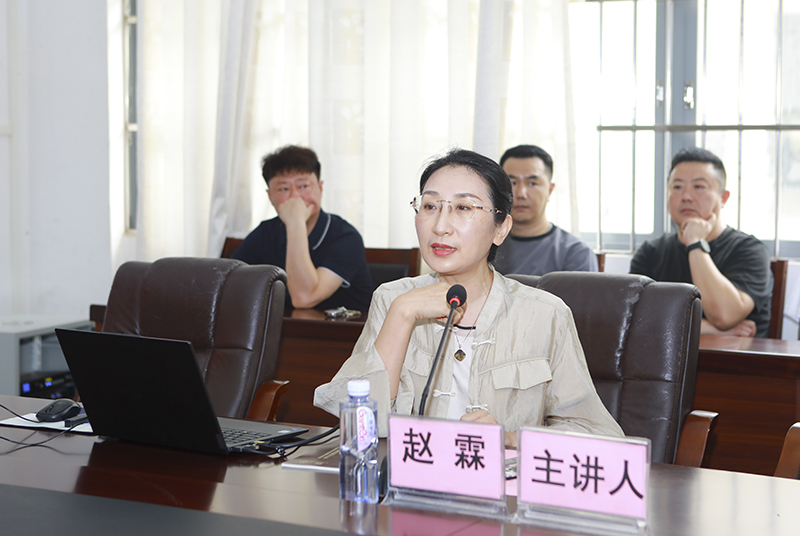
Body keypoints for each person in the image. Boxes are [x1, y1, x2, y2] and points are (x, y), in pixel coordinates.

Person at [314, 149, 623, 447]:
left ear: (500, 228)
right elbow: (357, 428)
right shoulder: (393, 299)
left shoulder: (544, 314)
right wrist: (403, 313)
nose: (440, 226)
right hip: (408, 477)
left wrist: (511, 440)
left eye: (463, 208)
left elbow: (597, 434)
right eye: (430, 206)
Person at [630, 148, 772, 338]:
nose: (686, 196)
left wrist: (695, 243)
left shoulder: (749, 250)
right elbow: (632, 319)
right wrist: (708, 328)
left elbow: (724, 316)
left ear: (723, 198)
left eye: (698, 187)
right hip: (661, 357)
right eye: (677, 187)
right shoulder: (651, 252)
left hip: (729, 357)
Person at [231, 145, 372, 312]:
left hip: (344, 328)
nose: (295, 197)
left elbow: (304, 298)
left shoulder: (346, 237)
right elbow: (228, 282)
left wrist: (295, 222)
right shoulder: (266, 232)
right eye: (283, 189)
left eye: (303, 186)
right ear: (270, 196)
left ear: (320, 188)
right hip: (285, 326)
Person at [492, 144, 598, 275]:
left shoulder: (574, 253)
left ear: (550, 190)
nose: (521, 194)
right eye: (512, 183)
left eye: (532, 183)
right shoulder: (484, 244)